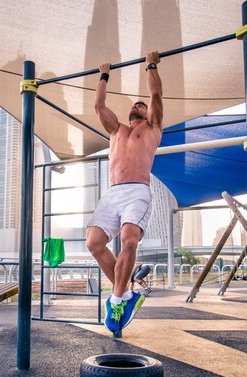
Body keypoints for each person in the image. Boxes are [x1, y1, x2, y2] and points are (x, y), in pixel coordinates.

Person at [85, 51, 163, 332]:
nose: (138, 107)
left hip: (137, 192)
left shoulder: (152, 127)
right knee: (94, 243)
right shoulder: (116, 129)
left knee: (129, 240)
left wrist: (150, 66)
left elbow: (155, 97)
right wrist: (103, 75)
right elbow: (98, 105)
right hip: (113, 192)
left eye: (141, 106)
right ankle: (127, 293)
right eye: (135, 106)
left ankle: (117, 299)